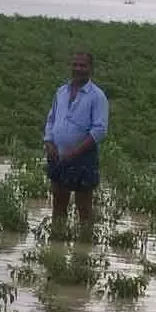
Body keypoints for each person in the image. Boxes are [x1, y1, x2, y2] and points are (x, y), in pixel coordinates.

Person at [43, 51, 109, 232]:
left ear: (91, 69)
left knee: (84, 208)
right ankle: (57, 240)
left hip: (83, 156)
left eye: (83, 65)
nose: (78, 69)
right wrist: (49, 143)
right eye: (75, 65)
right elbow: (51, 119)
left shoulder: (97, 96)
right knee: (58, 204)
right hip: (58, 155)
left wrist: (75, 152)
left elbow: (100, 130)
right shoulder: (61, 92)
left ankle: (84, 248)